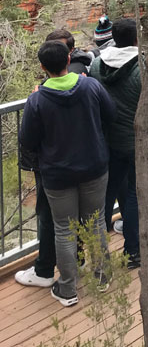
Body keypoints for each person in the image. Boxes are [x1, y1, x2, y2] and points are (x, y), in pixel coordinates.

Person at [19, 41, 116, 306]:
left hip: (58, 173)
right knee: (95, 222)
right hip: (94, 166)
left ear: (42, 67)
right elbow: (111, 113)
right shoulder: (90, 85)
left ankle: (68, 289)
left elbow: (27, 139)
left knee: (64, 229)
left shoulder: (38, 99)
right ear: (68, 59)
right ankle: (102, 276)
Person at [90, 17, 148, 269]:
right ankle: (134, 252)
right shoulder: (142, 69)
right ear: (136, 39)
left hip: (108, 142)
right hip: (138, 143)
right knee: (136, 196)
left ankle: (98, 254)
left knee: (105, 196)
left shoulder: (97, 66)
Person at [15, 29, 90, 289]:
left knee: (49, 217)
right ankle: (78, 259)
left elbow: (27, 138)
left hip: (53, 164)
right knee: (74, 214)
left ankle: (45, 270)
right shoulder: (86, 81)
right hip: (83, 160)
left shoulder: (41, 96)